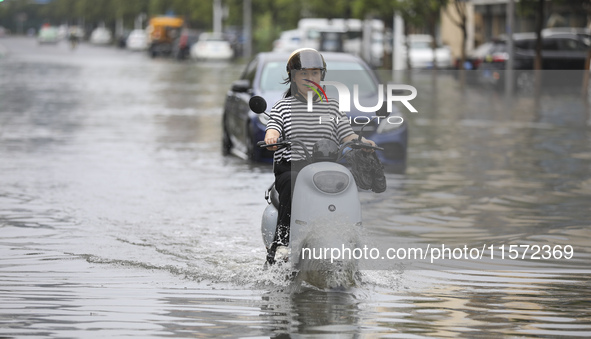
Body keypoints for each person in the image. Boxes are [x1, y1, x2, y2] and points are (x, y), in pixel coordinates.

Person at [263, 48, 377, 265]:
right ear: (293, 77)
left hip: (326, 168)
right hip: (292, 167)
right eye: (304, 73)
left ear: (321, 76)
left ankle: (350, 243)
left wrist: (363, 144)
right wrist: (272, 136)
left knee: (348, 183)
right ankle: (283, 244)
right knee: (290, 184)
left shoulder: (332, 106)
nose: (310, 78)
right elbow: (273, 126)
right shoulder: (283, 106)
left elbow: (347, 134)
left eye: (315, 73)